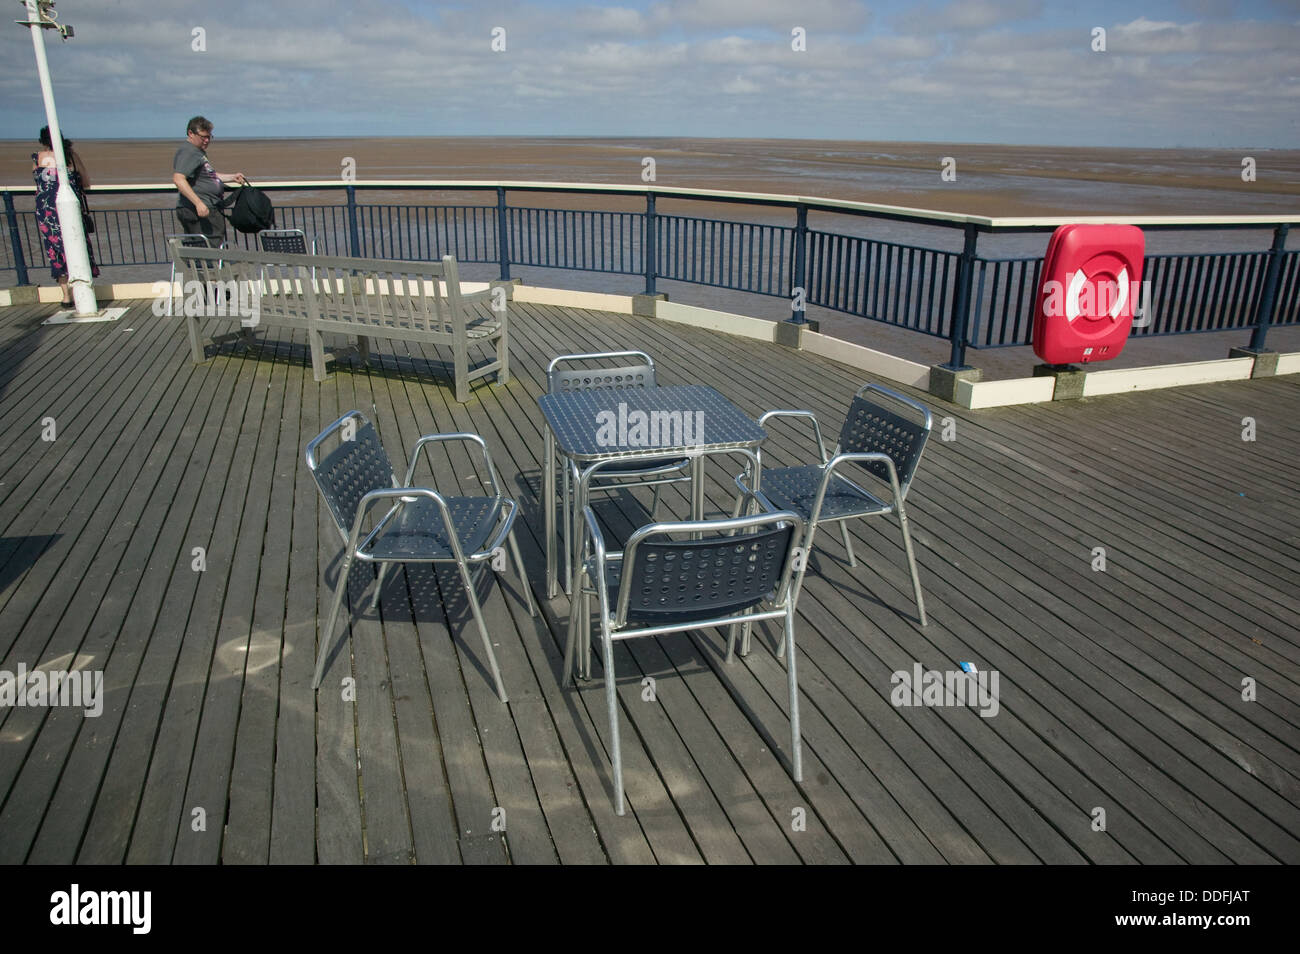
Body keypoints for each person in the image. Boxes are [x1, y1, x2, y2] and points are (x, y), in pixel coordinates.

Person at [32, 127, 99, 306]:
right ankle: (82, 289)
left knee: (56, 252)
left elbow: (37, 183)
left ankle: (66, 295)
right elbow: (85, 182)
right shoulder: (70, 156)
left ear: (43, 141)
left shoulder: (36, 158)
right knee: (77, 247)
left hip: (46, 213)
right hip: (70, 210)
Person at [172, 116, 245, 247]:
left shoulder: (197, 152)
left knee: (203, 248)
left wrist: (232, 177)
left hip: (206, 207)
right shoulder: (189, 152)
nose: (206, 140)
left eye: (209, 137)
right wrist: (198, 203)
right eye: (203, 137)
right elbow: (178, 179)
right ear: (190, 133)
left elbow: (207, 175)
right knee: (209, 248)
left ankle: (205, 266)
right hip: (201, 209)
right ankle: (210, 267)